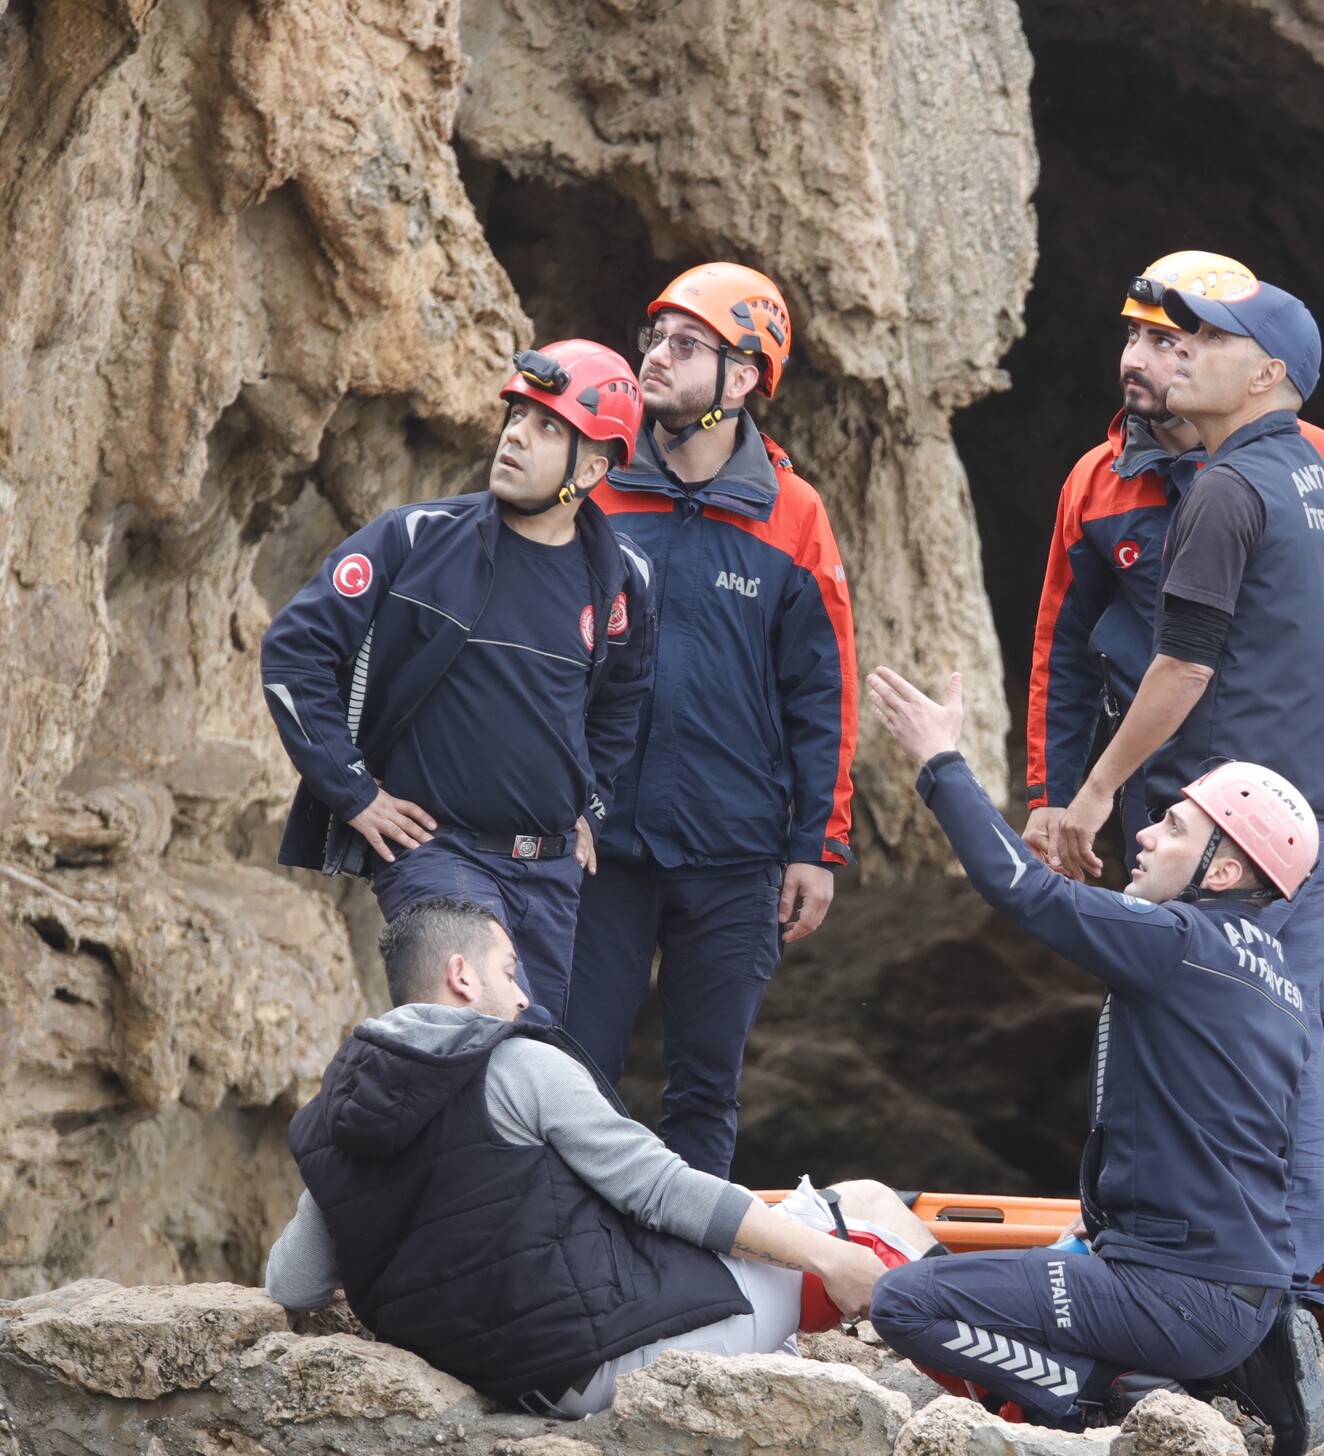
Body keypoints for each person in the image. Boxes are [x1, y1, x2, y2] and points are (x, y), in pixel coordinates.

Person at [1023, 250, 1324, 1214]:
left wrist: (1254, 621)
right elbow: (1061, 649)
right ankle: (1203, 1237)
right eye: (1137, 337)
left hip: (1288, 787)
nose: (1146, 358)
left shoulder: (1308, 463)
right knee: (1184, 1016)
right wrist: (1052, 794)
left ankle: (1323, 1248)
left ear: (1254, 365)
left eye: (1175, 340)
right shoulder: (1098, 479)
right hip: (1177, 797)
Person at [861, 666, 1324, 1456]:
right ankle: (1244, 1361)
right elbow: (1295, 1158)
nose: (1145, 833)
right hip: (1244, 1298)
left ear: (1221, 873)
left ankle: (1099, 1396)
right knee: (1063, 1258)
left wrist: (940, 762)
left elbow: (1021, 888)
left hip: (1171, 1298)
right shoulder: (1284, 985)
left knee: (906, 1305)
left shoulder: (1178, 940)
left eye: (1174, 829)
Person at [266, 896, 936, 1416]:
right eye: (508, 972)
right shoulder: (517, 1066)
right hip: (617, 1358)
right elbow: (663, 1190)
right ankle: (1004, 1354)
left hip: (519, 1384)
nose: (524, 995)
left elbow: (292, 1285)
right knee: (869, 1205)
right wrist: (830, 1257)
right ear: (461, 976)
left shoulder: (337, 1120)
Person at [260, 342, 656, 1023]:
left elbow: (623, 700)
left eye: (547, 428)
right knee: (463, 1037)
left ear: (591, 468)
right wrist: (353, 792)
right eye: (518, 417)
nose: (516, 438)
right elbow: (294, 653)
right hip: (434, 858)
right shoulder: (412, 540)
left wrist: (593, 806)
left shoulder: (625, 577)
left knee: (529, 1068)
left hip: (550, 872)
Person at [565, 263, 858, 1178]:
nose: (655, 354)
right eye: (654, 336)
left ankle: (693, 1298)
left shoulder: (793, 515)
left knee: (704, 1091)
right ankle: (569, 1287)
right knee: (571, 1073)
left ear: (742, 378)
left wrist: (817, 847)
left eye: (685, 344)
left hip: (735, 856)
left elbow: (824, 694)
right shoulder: (598, 489)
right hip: (598, 844)